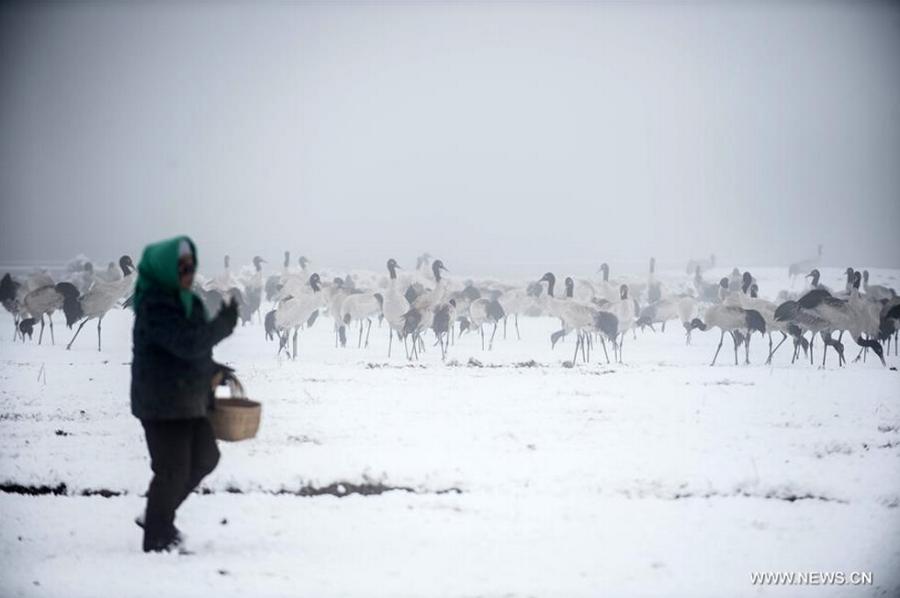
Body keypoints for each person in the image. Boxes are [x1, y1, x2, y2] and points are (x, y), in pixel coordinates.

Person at [130, 236, 237, 552]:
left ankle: (156, 513)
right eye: (181, 266)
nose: (188, 272)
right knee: (173, 469)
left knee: (206, 457)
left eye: (191, 265)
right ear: (165, 269)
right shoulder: (155, 306)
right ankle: (157, 539)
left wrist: (216, 368)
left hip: (188, 399)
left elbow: (194, 351)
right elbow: (186, 343)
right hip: (161, 402)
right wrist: (223, 325)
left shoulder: (187, 302)